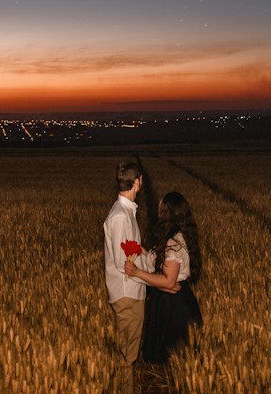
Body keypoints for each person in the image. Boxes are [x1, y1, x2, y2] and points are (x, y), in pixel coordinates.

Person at [126, 189, 202, 368]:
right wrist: (139, 250)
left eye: (162, 207)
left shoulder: (173, 243)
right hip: (171, 301)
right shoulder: (174, 238)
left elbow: (169, 281)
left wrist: (137, 272)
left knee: (174, 360)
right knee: (174, 362)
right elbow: (161, 269)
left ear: (168, 213)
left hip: (174, 308)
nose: (159, 209)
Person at [103, 159, 147, 393]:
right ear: (137, 182)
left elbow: (132, 250)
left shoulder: (126, 211)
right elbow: (125, 263)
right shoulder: (121, 215)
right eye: (141, 180)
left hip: (132, 289)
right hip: (127, 292)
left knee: (129, 352)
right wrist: (149, 270)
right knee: (126, 355)